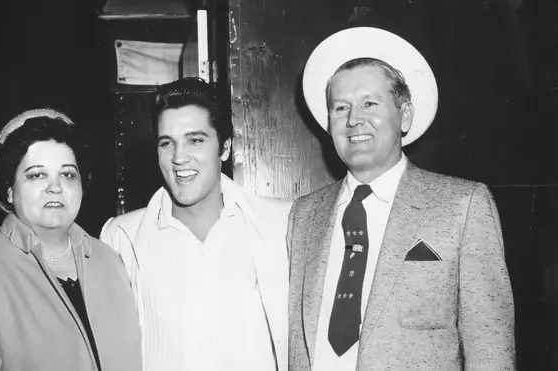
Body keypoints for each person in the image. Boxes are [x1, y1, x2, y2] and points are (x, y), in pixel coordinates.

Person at [288, 27, 516, 371]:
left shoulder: (463, 206)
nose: (353, 119)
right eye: (340, 107)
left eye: (370, 103)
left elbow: (490, 350)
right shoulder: (304, 216)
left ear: (404, 115)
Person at [0, 109, 141, 371]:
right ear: (10, 191)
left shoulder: (110, 261)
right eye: (37, 175)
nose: (55, 187)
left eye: (68, 174)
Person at [100, 77, 292, 371]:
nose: (179, 157)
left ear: (224, 148)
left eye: (195, 140)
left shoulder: (280, 225)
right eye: (167, 143)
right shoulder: (120, 238)